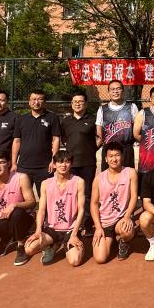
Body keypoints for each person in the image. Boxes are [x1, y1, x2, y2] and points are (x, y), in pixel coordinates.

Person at [23, 151, 86, 266]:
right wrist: (38, 230)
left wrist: (74, 233)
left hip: (70, 229)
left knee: (75, 261)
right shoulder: (46, 184)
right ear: (54, 164)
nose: (63, 165)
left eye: (67, 162)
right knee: (29, 248)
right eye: (60, 162)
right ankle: (53, 245)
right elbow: (41, 210)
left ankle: (76, 244)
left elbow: (81, 209)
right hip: (52, 229)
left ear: (71, 164)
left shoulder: (79, 182)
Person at [90, 142, 138, 263]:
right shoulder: (98, 178)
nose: (114, 159)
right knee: (100, 259)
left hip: (121, 219)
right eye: (110, 156)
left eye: (117, 155)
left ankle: (124, 241)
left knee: (127, 230)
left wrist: (127, 216)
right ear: (106, 159)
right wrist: (98, 227)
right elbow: (94, 204)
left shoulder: (131, 172)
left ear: (122, 156)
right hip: (105, 222)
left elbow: (134, 196)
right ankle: (113, 240)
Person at [11, 88, 61, 194]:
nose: (36, 102)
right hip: (23, 166)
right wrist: (14, 163)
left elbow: (56, 139)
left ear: (44, 101)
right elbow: (16, 141)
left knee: (45, 197)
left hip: (45, 167)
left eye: (40, 99)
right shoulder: (21, 119)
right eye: (33, 99)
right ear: (29, 102)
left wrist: (54, 160)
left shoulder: (52, 118)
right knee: (24, 197)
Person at [61, 88, 98, 219]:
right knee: (71, 192)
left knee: (87, 193)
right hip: (70, 163)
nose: (78, 104)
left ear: (85, 104)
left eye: (81, 101)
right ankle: (71, 219)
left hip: (88, 162)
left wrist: (91, 149)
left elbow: (99, 138)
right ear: (71, 104)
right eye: (75, 101)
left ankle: (86, 221)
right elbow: (64, 139)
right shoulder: (65, 121)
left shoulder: (93, 120)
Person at [96, 79, 139, 170]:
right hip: (109, 149)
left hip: (126, 149)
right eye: (112, 89)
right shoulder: (102, 109)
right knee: (107, 177)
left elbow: (137, 129)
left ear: (123, 91)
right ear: (108, 92)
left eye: (118, 89)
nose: (115, 91)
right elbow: (99, 132)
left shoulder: (132, 107)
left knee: (128, 176)